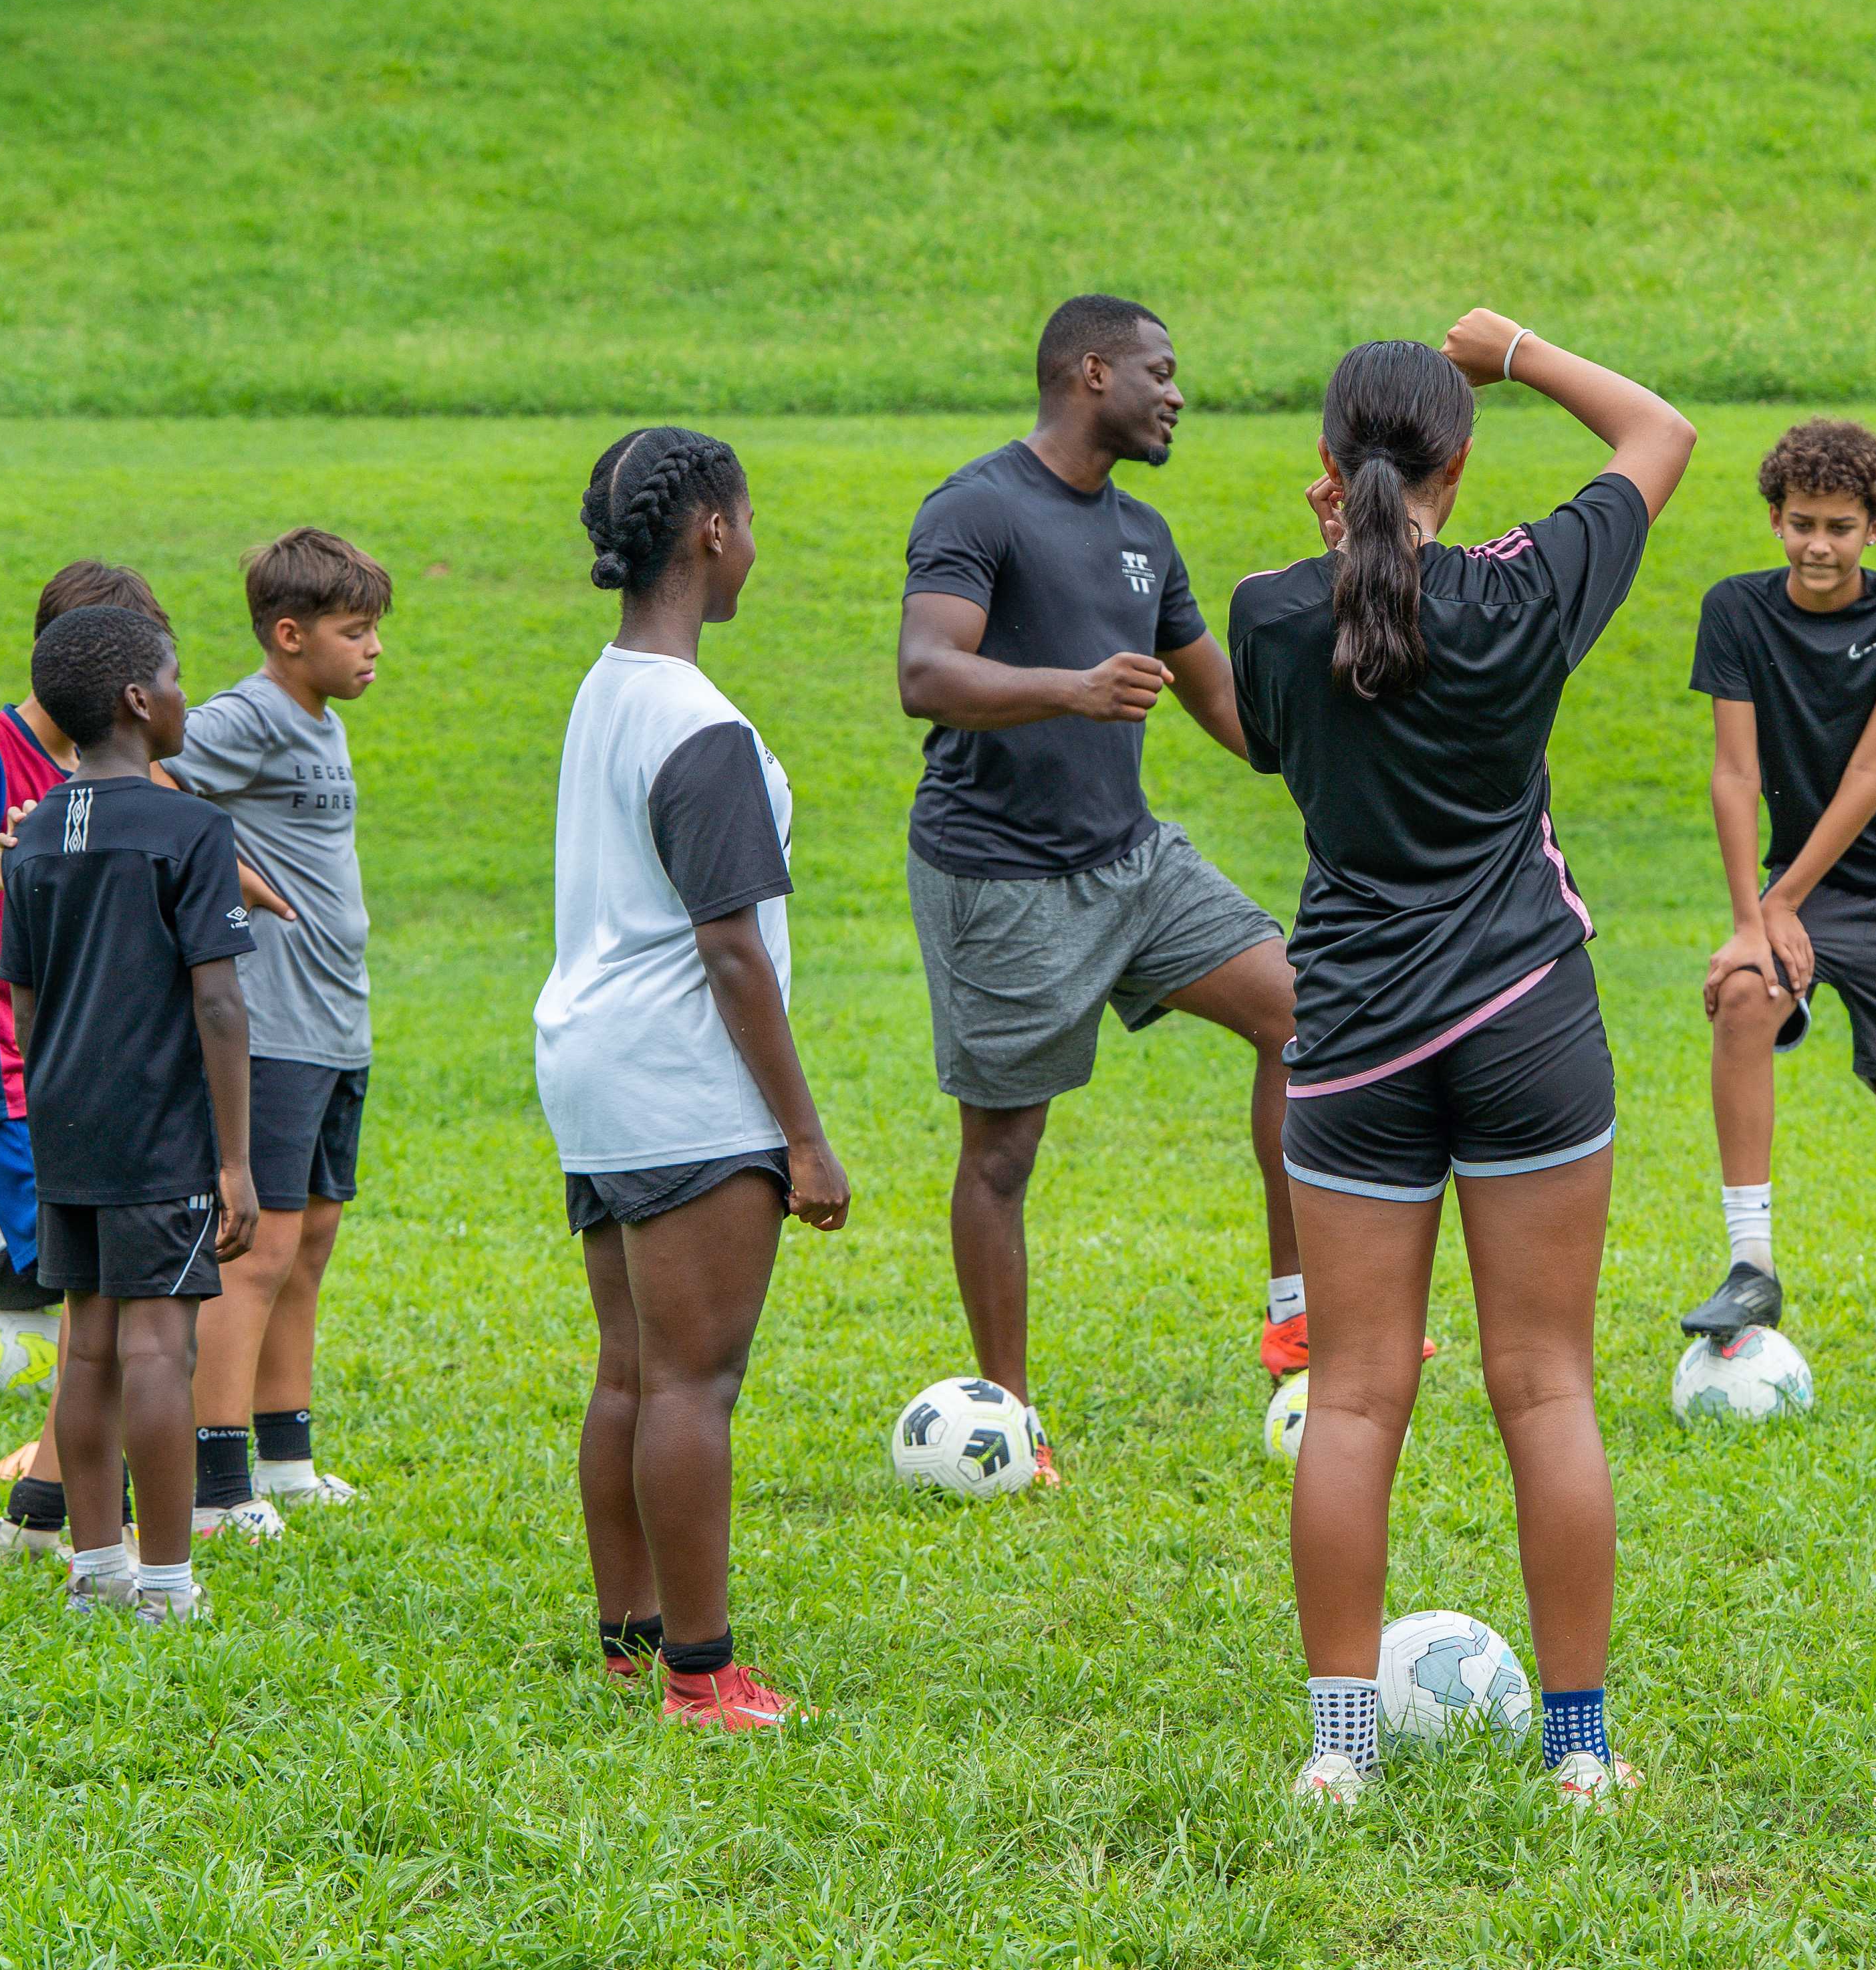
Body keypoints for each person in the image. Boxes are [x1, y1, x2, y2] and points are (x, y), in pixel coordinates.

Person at [1230, 310, 1695, 1808]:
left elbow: (1299, 703)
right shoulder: (1525, 591)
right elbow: (1662, 435)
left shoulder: (1268, 611)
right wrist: (1522, 348)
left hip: (1354, 1040)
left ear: (1323, 464)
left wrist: (1340, 543)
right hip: (1527, 1025)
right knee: (1546, 1386)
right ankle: (1579, 1753)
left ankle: (1338, 1755)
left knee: (1356, 1396)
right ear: (1465, 455)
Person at [896, 294, 1309, 1469]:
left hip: (1134, 862)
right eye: (1161, 371)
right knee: (1005, 1152)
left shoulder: (1146, 534)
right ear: (1092, 373)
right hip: (1002, 878)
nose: (1179, 393)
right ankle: (1007, 1420)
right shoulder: (978, 506)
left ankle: (1297, 1319)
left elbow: (1228, 706)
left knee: (1305, 1018)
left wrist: (1341, 777)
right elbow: (927, 674)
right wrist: (1070, 688)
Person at [538, 428, 852, 1730]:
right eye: (750, 517)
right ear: (712, 530)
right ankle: (699, 1674)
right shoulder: (701, 726)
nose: (756, 541)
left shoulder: (607, 684)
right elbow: (731, 951)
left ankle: (632, 1640)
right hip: (684, 1077)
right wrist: (805, 1134)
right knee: (690, 1383)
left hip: (594, 1067)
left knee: (632, 1368)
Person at [1671, 420, 1876, 1388]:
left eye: (1841, 526)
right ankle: (1752, 1264)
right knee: (1744, 995)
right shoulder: (1735, 611)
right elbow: (1733, 772)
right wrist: (1751, 917)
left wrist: (1781, 897)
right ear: (1774, 518)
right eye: (1801, 524)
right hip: (1801, 887)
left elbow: (1872, 773)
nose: (1818, 545)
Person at [0, 604, 263, 1622]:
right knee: (163, 1352)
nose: (189, 694)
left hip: (64, 1128)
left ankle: (94, 1571)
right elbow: (219, 1000)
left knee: (91, 1349)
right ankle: (165, 1585)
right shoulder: (190, 827)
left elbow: (24, 1003)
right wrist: (235, 1162)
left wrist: (66, 1086)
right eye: (179, 675)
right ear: (138, 701)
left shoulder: (30, 842)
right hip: (160, 1134)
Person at [0, 560, 179, 1568]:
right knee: (94, 1293)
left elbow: (176, 825)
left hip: (90, 1059)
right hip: (5, 1053)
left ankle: (40, 1514)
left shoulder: (111, 762)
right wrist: (40, 877)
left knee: (98, 1292)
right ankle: (68, 1511)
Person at [166, 527, 393, 1536]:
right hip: (275, 1021)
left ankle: (287, 1460)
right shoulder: (250, 714)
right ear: (290, 635)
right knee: (255, 1253)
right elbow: (136, 771)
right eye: (355, 632)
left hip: (337, 1019)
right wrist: (224, 870)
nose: (373, 649)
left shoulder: (320, 718)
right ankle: (219, 1493)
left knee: (311, 1242)